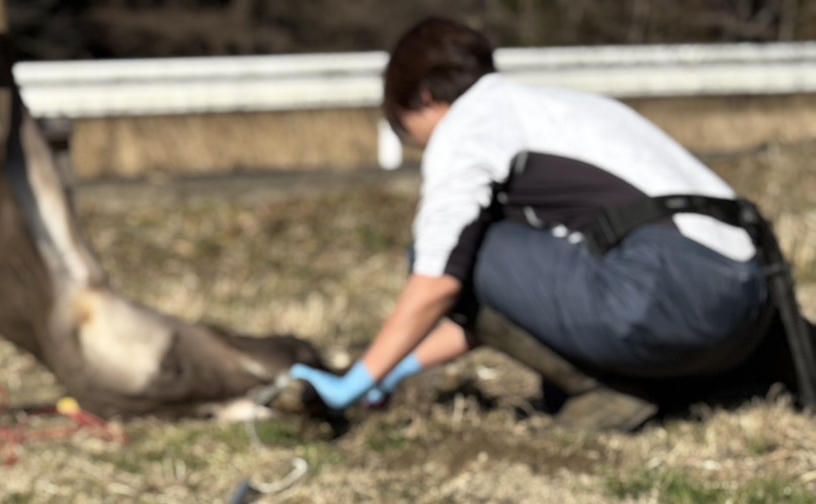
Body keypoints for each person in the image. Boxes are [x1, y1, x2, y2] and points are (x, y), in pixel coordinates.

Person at [291, 16, 786, 432]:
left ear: (423, 99)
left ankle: (610, 392)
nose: (418, 145)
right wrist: (398, 370)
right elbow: (512, 310)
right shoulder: (563, 109)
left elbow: (441, 281)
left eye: (408, 131)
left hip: (667, 293)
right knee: (480, 256)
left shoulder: (469, 126)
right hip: (750, 305)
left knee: (442, 251)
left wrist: (356, 381)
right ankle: (680, 383)